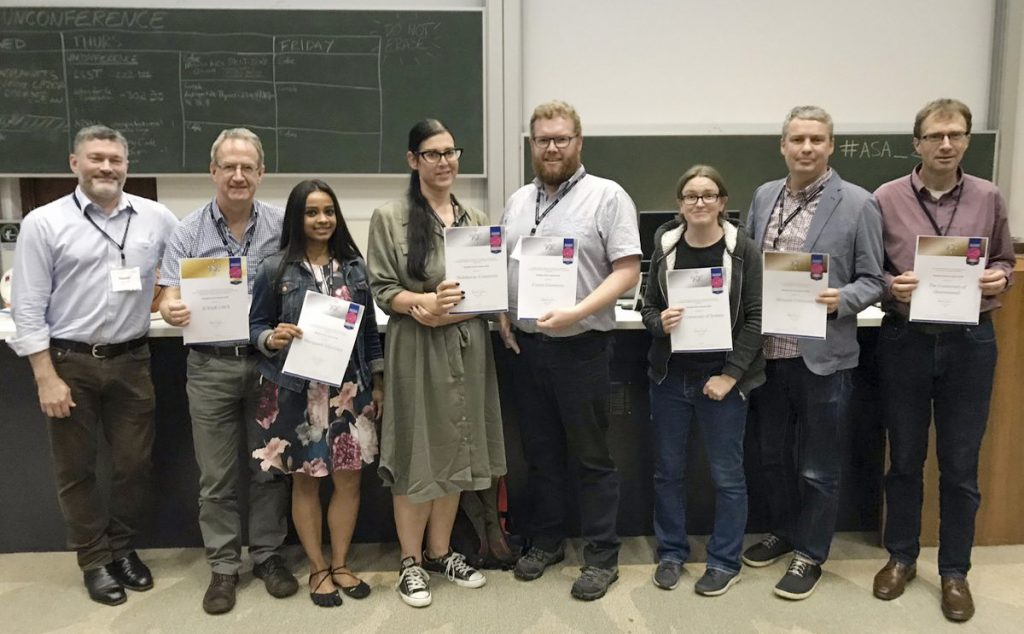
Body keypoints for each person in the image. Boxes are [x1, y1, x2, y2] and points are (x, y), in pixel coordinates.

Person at [8, 125, 178, 606]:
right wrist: (46, 377)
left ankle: (122, 547)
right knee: (76, 470)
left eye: (115, 159)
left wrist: (168, 296)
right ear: (74, 163)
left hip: (132, 359)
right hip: (70, 361)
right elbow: (27, 307)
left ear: (127, 165)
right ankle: (94, 560)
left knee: (133, 464)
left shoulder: (156, 218)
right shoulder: (44, 222)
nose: (106, 167)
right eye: (96, 158)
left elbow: (180, 271)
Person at [871, 99, 1015, 622]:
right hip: (905, 339)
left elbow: (1002, 258)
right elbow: (873, 269)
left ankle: (955, 571)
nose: (946, 144)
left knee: (960, 465)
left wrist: (1002, 276)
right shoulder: (885, 198)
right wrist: (892, 284)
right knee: (904, 458)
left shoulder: (988, 195)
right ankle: (901, 558)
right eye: (935, 135)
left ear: (967, 141)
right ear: (917, 142)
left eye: (955, 135)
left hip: (970, 343)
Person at [498, 100, 642, 601]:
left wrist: (578, 311)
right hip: (528, 349)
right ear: (532, 145)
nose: (552, 147)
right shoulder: (517, 201)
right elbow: (508, 266)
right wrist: (502, 311)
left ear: (579, 142)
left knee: (592, 456)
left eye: (561, 138)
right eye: (543, 139)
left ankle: (602, 556)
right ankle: (547, 541)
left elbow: (628, 271)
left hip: (581, 347)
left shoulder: (607, 196)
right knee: (539, 452)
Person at [742, 106, 884, 599]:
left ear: (831, 147)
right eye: (797, 139)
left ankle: (810, 553)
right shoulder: (764, 196)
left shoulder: (859, 203)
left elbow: (875, 279)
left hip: (823, 357)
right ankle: (785, 531)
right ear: (782, 145)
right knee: (772, 457)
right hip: (769, 354)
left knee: (819, 465)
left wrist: (840, 300)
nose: (806, 148)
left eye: (816, 140)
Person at [367, 119, 505, 608]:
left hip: (468, 345)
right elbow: (382, 289)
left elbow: (489, 287)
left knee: (459, 446)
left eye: (450, 152)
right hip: (418, 346)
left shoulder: (475, 217)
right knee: (415, 449)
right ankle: (410, 561)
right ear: (413, 160)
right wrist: (421, 302)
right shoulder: (389, 217)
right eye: (432, 153)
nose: (444, 161)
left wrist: (486, 305)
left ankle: (443, 550)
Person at [158, 129, 297, 614]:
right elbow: (166, 291)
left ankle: (268, 555)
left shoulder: (284, 226)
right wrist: (172, 306)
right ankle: (222, 565)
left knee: (268, 467)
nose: (238, 176)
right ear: (213, 171)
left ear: (261, 173)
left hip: (269, 365)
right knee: (216, 476)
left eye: (248, 167)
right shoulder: (187, 230)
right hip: (211, 366)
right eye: (228, 167)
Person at [249, 179, 384, 607]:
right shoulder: (275, 269)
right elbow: (255, 327)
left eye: (328, 211)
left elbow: (370, 335)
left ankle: (340, 563)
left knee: (348, 481)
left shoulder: (354, 268)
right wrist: (272, 338)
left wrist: (377, 382)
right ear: (296, 217)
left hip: (349, 391)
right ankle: (316, 568)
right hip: (295, 392)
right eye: (312, 212)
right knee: (305, 484)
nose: (322, 219)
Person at [641, 165, 764, 596]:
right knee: (668, 473)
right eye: (691, 196)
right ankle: (672, 552)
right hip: (670, 379)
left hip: (722, 383)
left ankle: (725, 560)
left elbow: (754, 319)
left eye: (708, 195)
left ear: (722, 203)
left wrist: (730, 376)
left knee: (727, 477)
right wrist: (661, 322)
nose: (699, 203)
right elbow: (647, 307)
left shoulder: (743, 249)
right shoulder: (664, 244)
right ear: (679, 205)